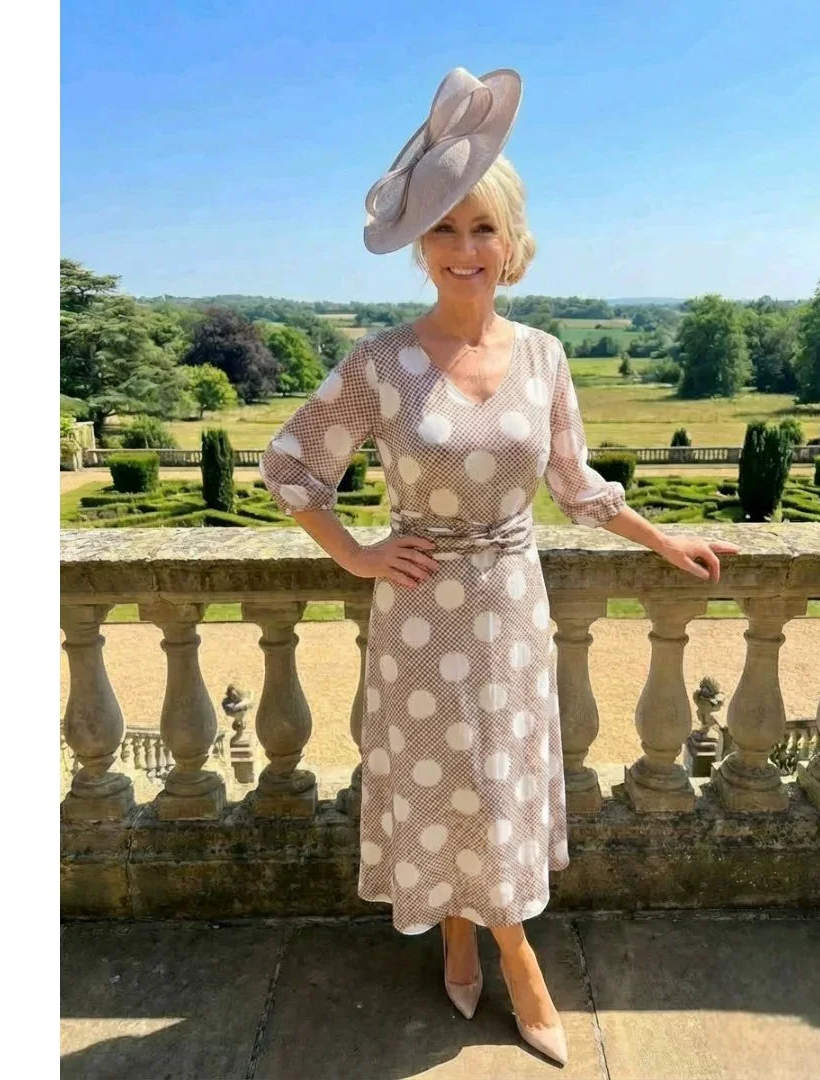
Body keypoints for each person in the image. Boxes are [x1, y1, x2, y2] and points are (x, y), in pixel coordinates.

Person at [259, 66, 739, 1068]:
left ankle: (483, 936)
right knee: (449, 779)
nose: (463, 250)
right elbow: (292, 463)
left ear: (512, 242)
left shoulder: (545, 357)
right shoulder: (381, 363)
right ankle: (498, 951)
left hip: (513, 603)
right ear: (419, 246)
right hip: (422, 609)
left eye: (482, 229)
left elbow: (576, 483)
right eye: (442, 230)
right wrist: (355, 552)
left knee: (502, 783)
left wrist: (665, 538)